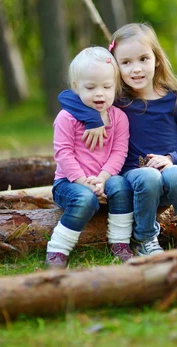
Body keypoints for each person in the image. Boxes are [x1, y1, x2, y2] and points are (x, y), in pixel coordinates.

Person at [58, 23, 177, 256]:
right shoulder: (117, 100)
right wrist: (92, 118)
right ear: (115, 68)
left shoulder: (176, 99)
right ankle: (144, 239)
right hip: (134, 182)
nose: (136, 69)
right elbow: (67, 97)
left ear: (157, 59)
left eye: (143, 59)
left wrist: (172, 159)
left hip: (169, 181)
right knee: (148, 176)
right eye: (126, 62)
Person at [46, 46, 133, 269]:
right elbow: (63, 153)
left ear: (116, 86)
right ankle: (57, 249)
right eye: (90, 87)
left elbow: (119, 152)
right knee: (86, 199)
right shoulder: (67, 118)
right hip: (68, 183)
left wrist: (103, 178)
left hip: (104, 178)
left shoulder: (119, 118)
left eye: (106, 87)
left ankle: (120, 243)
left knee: (122, 186)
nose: (99, 93)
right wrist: (83, 181)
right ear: (76, 87)